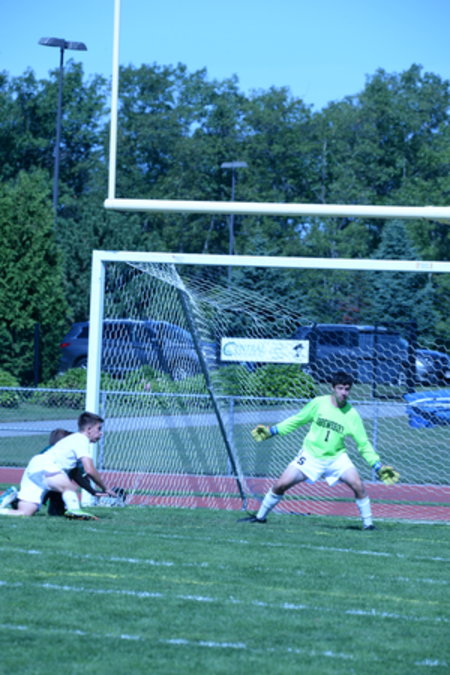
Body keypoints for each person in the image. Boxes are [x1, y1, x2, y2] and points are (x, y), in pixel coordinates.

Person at [245, 371, 398, 530]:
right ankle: (260, 517)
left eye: (347, 389)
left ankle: (369, 525)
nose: (344, 393)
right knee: (280, 485)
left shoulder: (352, 414)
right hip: (310, 456)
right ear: (333, 388)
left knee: (358, 485)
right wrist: (272, 431)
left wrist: (377, 466)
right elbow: (297, 420)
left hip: (336, 459)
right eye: (340, 388)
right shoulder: (318, 403)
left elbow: (363, 444)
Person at [0, 411, 116, 520]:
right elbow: (90, 470)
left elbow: (76, 474)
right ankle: (74, 510)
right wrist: (105, 488)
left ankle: (9, 500)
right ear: (89, 429)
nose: (101, 433)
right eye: (99, 429)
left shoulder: (74, 440)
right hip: (45, 465)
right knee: (68, 487)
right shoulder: (81, 440)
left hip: (35, 467)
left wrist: (92, 491)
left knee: (25, 513)